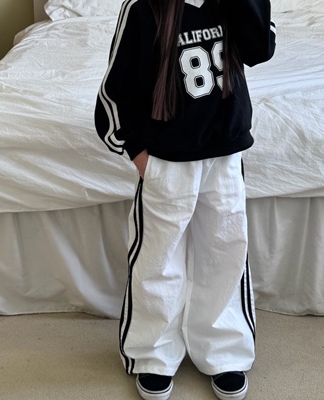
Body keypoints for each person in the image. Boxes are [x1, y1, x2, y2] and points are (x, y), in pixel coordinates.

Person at [95, 0, 275, 399]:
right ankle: (153, 353)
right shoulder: (142, 8)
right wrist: (140, 156)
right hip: (166, 161)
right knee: (158, 259)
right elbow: (114, 93)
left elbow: (261, 48)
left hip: (224, 157)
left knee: (225, 252)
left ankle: (223, 349)